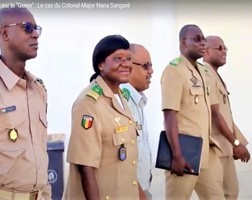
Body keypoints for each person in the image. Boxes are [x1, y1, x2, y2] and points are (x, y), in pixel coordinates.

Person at [0, 7, 51, 200]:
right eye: (27, 28)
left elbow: (40, 151)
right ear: (5, 33)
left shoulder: (38, 89)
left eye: (36, 29)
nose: (35, 35)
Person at [63, 35, 140, 200]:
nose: (126, 64)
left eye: (128, 59)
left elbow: (127, 166)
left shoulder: (121, 98)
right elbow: (86, 167)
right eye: (118, 58)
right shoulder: (89, 103)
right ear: (100, 64)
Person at [160, 24, 225, 200]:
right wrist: (177, 154)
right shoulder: (174, 70)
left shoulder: (203, 72)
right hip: (185, 153)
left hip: (206, 151)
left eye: (204, 39)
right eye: (197, 39)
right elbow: (169, 114)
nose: (202, 43)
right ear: (183, 42)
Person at [203, 35, 250, 200]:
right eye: (219, 48)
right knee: (219, 196)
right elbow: (215, 114)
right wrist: (236, 143)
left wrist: (237, 142)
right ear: (206, 51)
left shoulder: (215, 76)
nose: (224, 51)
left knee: (231, 193)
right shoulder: (206, 75)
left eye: (225, 48)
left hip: (225, 147)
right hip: (215, 148)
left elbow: (225, 115)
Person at [120, 43, 153, 200]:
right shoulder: (123, 100)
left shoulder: (137, 100)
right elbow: (122, 159)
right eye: (146, 66)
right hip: (131, 191)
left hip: (140, 187)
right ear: (129, 66)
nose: (151, 71)